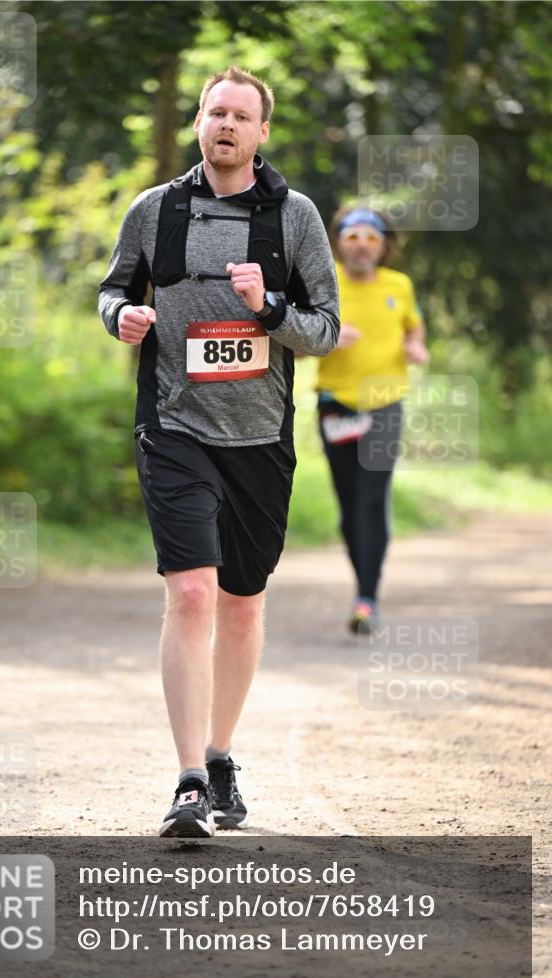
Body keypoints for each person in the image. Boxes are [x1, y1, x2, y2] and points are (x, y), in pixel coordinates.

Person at [98, 66, 339, 837]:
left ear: (262, 132)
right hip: (173, 424)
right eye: (214, 113)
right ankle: (189, 783)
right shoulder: (153, 211)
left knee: (240, 602)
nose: (225, 125)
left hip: (259, 436)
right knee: (192, 593)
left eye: (240, 115)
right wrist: (122, 318)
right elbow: (111, 291)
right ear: (198, 123)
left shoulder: (293, 218)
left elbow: (325, 326)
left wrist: (267, 307)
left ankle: (221, 752)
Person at [314, 206, 428, 634]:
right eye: (353, 237)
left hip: (385, 405)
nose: (362, 246)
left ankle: (367, 599)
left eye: (371, 238)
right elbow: (296, 344)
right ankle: (363, 588)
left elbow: (414, 329)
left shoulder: (400, 285)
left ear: (384, 245)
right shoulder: (323, 284)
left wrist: (416, 347)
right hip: (335, 405)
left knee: (371, 498)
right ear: (339, 242)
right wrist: (326, 338)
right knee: (348, 506)